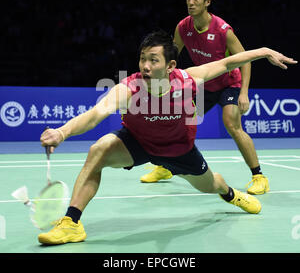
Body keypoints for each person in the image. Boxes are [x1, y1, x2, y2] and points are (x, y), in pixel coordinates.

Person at [38, 30, 296, 245]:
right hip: (137, 143)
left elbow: (228, 63)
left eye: (153, 60)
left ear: (171, 66)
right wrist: (63, 132)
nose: (146, 66)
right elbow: (97, 113)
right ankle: (72, 222)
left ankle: (230, 194)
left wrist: (264, 51)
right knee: (99, 150)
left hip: (179, 150)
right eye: (142, 59)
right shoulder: (130, 87)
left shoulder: (189, 79)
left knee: (210, 185)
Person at [140, 0, 267, 195]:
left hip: (229, 83)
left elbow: (244, 59)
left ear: (207, 2)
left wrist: (244, 92)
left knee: (232, 124)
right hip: (204, 85)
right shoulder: (183, 27)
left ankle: (258, 176)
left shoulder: (222, 30)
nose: (191, 2)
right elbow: (172, 56)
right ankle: (165, 167)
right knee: (176, 120)